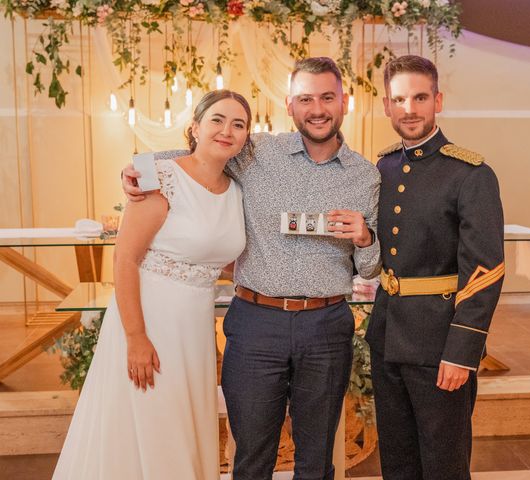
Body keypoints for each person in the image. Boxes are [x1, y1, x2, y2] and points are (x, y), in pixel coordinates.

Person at [123, 57, 381, 480]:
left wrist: (365, 239)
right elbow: (198, 153)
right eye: (305, 99)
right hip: (256, 323)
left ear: (344, 102)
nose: (317, 108)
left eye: (327, 97)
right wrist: (141, 169)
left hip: (327, 325)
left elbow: (369, 271)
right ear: (290, 105)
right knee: (252, 458)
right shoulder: (257, 151)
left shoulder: (365, 176)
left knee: (316, 459)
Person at [53, 90, 251, 480]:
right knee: (149, 420)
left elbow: (217, 258)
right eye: (217, 119)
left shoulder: (237, 192)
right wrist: (136, 337)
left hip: (194, 327)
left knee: (182, 419)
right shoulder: (159, 178)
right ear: (194, 128)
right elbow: (124, 257)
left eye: (238, 124)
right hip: (149, 320)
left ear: (246, 137)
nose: (227, 130)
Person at [366, 55, 505, 480]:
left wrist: (462, 352)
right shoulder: (385, 166)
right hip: (388, 333)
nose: (410, 109)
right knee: (398, 458)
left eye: (420, 97)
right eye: (399, 99)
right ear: (387, 106)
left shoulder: (470, 174)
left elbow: (486, 271)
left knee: (443, 463)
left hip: (439, 341)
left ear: (438, 100)